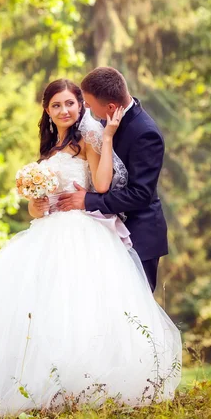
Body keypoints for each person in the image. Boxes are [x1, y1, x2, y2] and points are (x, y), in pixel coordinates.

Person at [0, 79, 181, 416]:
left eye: (71, 104)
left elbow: (102, 185)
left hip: (80, 230)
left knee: (79, 306)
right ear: (47, 110)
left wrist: (105, 138)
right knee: (39, 307)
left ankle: (86, 385)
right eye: (56, 105)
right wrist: (36, 204)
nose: (64, 110)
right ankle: (43, 387)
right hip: (46, 231)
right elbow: (36, 206)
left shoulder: (89, 139)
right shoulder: (48, 149)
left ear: (81, 106)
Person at [57, 67, 168, 292]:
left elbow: (140, 194)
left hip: (139, 237)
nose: (85, 107)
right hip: (103, 236)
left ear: (110, 107)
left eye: (88, 103)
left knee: (135, 314)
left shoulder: (145, 133)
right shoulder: (105, 120)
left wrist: (88, 201)